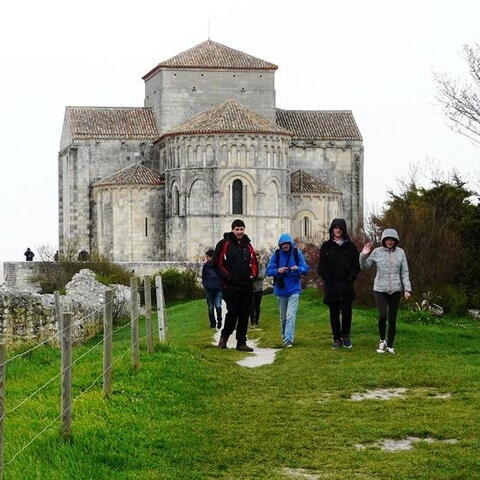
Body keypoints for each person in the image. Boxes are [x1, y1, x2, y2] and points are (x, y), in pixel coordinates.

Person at [360, 228, 411, 355]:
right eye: (387, 239)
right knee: (383, 316)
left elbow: (404, 272)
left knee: (392, 318)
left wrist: (407, 289)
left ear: (395, 240)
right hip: (380, 289)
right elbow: (364, 266)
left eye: (392, 239)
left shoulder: (401, 252)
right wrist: (363, 254)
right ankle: (382, 341)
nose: (389, 241)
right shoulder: (377, 252)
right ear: (383, 240)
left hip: (395, 289)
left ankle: (390, 344)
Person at [214, 219, 258, 352]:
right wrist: (228, 277)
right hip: (231, 286)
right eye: (237, 229)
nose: (239, 232)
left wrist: (253, 276)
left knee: (245, 314)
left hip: (246, 285)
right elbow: (217, 263)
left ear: (244, 230)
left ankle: (241, 343)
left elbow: (254, 262)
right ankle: (224, 339)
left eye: (241, 229)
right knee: (232, 313)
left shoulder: (248, 245)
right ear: (232, 229)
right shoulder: (224, 244)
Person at [318, 219, 360, 349]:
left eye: (340, 228)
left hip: (346, 286)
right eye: (335, 228)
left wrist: (350, 278)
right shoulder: (326, 246)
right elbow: (321, 266)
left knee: (347, 312)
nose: (337, 230)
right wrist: (327, 278)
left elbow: (356, 265)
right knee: (334, 313)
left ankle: (346, 336)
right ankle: (337, 338)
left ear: (343, 230)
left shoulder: (351, 247)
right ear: (332, 230)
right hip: (332, 286)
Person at [267, 233, 309, 348]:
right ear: (280, 245)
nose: (286, 245)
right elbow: (269, 271)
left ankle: (288, 340)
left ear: (291, 244)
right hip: (281, 290)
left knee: (290, 316)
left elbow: (306, 269)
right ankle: (285, 337)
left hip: (294, 289)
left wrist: (298, 268)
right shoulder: (276, 255)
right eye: (284, 244)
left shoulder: (297, 253)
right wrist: (278, 270)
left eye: (288, 243)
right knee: (283, 318)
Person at [201, 249, 223, 329]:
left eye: (207, 257)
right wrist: (206, 285)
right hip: (209, 290)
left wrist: (220, 285)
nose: (206, 258)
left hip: (218, 289)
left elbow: (222, 276)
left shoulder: (218, 266)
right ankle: (213, 323)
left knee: (218, 306)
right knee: (210, 308)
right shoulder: (205, 266)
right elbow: (203, 277)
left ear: (211, 257)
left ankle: (219, 320)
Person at [250, 253, 264, 327]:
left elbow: (262, 275)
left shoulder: (262, 265)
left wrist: (254, 276)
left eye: (258, 258)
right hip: (251, 289)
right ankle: (252, 321)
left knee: (257, 306)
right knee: (251, 306)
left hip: (259, 288)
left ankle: (256, 321)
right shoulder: (250, 265)